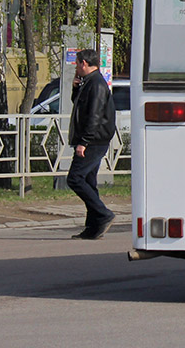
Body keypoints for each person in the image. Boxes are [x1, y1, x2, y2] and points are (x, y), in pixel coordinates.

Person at [66, 49, 117, 239]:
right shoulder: (90, 82)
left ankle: (103, 214)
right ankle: (93, 227)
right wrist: (76, 89)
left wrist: (84, 142)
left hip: (93, 141)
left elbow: (94, 116)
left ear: (84, 63)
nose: (76, 67)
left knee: (75, 178)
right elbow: (80, 105)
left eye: (78, 63)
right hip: (93, 140)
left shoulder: (96, 84)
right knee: (88, 181)